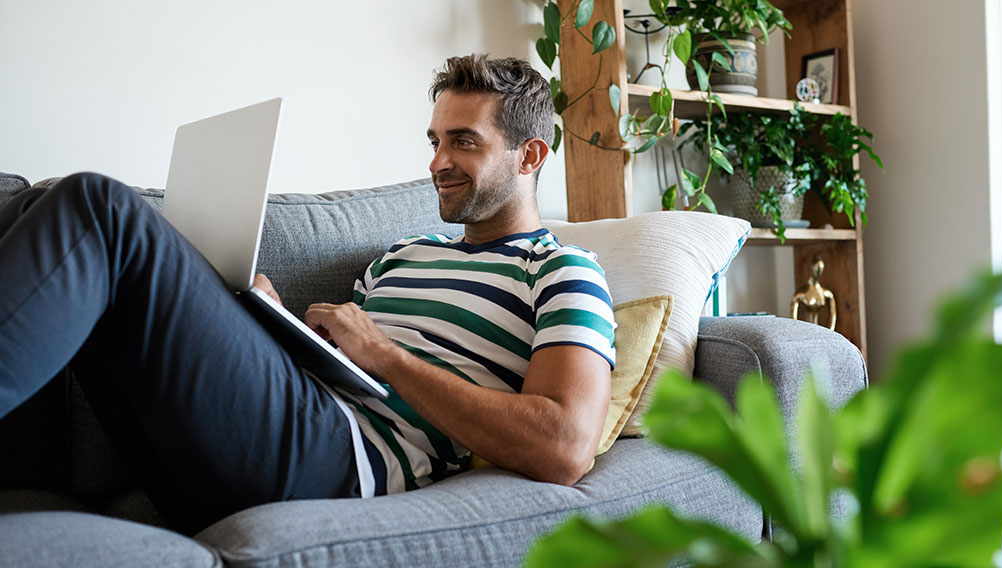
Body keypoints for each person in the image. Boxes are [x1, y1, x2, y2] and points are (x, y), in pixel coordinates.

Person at [0, 54, 615, 534]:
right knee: (33, 207)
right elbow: (333, 369)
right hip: (270, 432)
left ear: (529, 154)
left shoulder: (562, 271)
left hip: (341, 462)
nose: (438, 162)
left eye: (464, 141)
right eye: (434, 141)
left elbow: (564, 447)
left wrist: (386, 355)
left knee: (99, 207)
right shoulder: (402, 255)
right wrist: (261, 319)